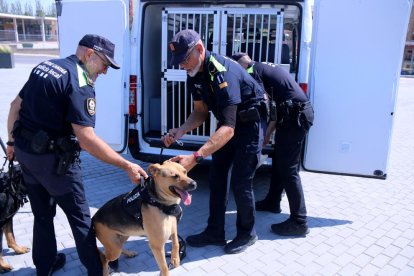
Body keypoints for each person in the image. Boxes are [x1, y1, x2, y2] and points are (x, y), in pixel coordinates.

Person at [6, 34, 148, 275]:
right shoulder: (80, 82)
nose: (104, 72)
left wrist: (11, 142)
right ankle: (96, 270)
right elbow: (86, 139)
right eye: (105, 65)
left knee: (42, 216)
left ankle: (45, 266)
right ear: (90, 54)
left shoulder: (46, 66)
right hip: (56, 166)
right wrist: (126, 165)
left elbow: (14, 106)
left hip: (27, 156)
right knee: (80, 220)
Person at [162, 30, 267, 254]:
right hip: (228, 125)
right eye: (178, 61)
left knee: (240, 181)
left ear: (199, 49)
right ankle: (215, 233)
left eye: (185, 59)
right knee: (217, 177)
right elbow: (200, 112)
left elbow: (229, 128)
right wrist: (180, 131)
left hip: (249, 126)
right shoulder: (194, 73)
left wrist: (195, 157)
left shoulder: (223, 72)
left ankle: (247, 233)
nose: (182, 65)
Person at [232, 52, 314, 236]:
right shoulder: (263, 66)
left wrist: (262, 134)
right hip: (294, 114)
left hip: (295, 116)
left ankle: (299, 221)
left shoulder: (253, 73)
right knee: (280, 161)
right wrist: (268, 134)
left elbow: (264, 106)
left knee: (289, 169)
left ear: (241, 66)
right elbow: (277, 107)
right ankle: (273, 201)